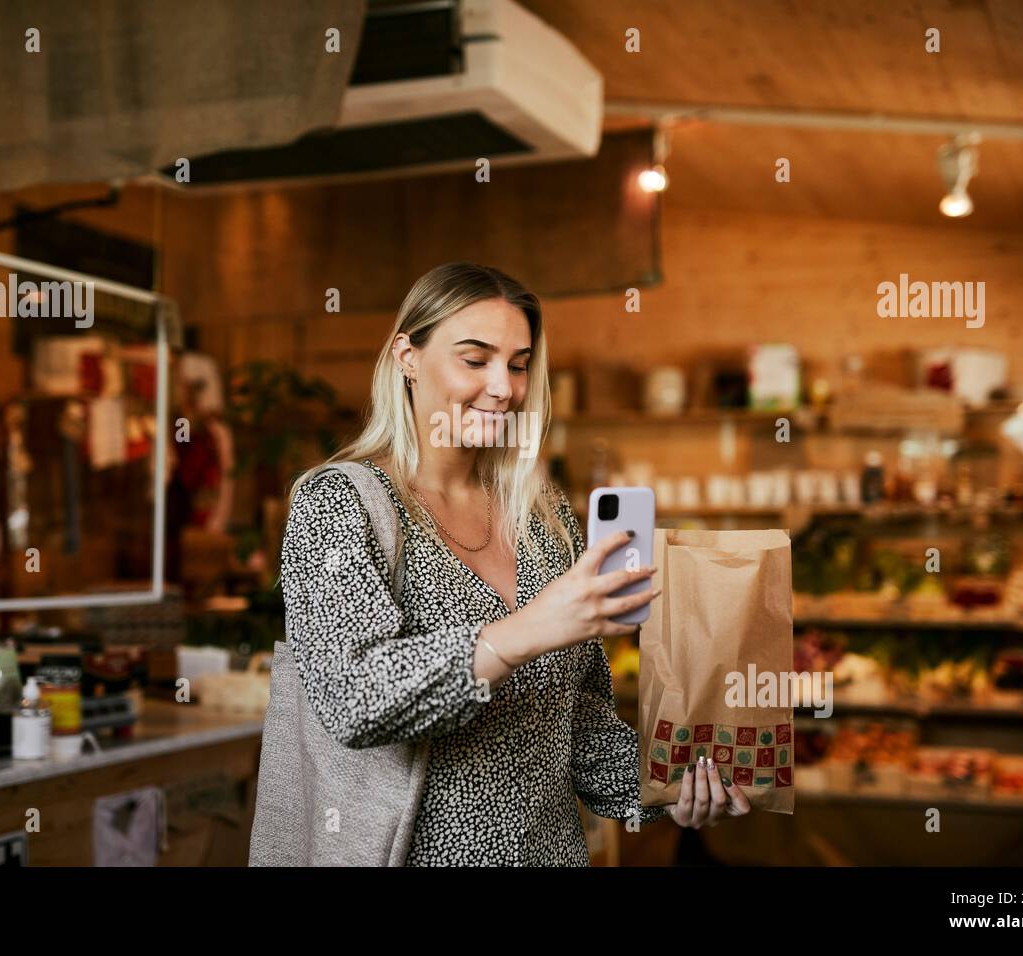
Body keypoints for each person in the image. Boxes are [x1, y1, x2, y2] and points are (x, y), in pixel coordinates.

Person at [279, 262, 750, 865]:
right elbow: (354, 698)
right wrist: (532, 627)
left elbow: (579, 732)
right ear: (408, 357)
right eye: (475, 360)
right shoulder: (340, 502)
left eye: (519, 364)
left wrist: (669, 785)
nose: (503, 386)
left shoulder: (541, 515)